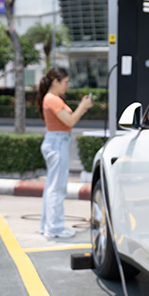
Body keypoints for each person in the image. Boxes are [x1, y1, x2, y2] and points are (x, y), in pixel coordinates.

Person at [36, 67, 93, 238]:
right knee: (57, 188)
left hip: (57, 141)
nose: (67, 85)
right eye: (66, 82)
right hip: (57, 142)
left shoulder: (52, 98)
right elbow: (69, 121)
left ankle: (48, 226)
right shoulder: (52, 99)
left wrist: (82, 109)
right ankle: (55, 228)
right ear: (56, 81)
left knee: (52, 187)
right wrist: (81, 107)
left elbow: (68, 122)